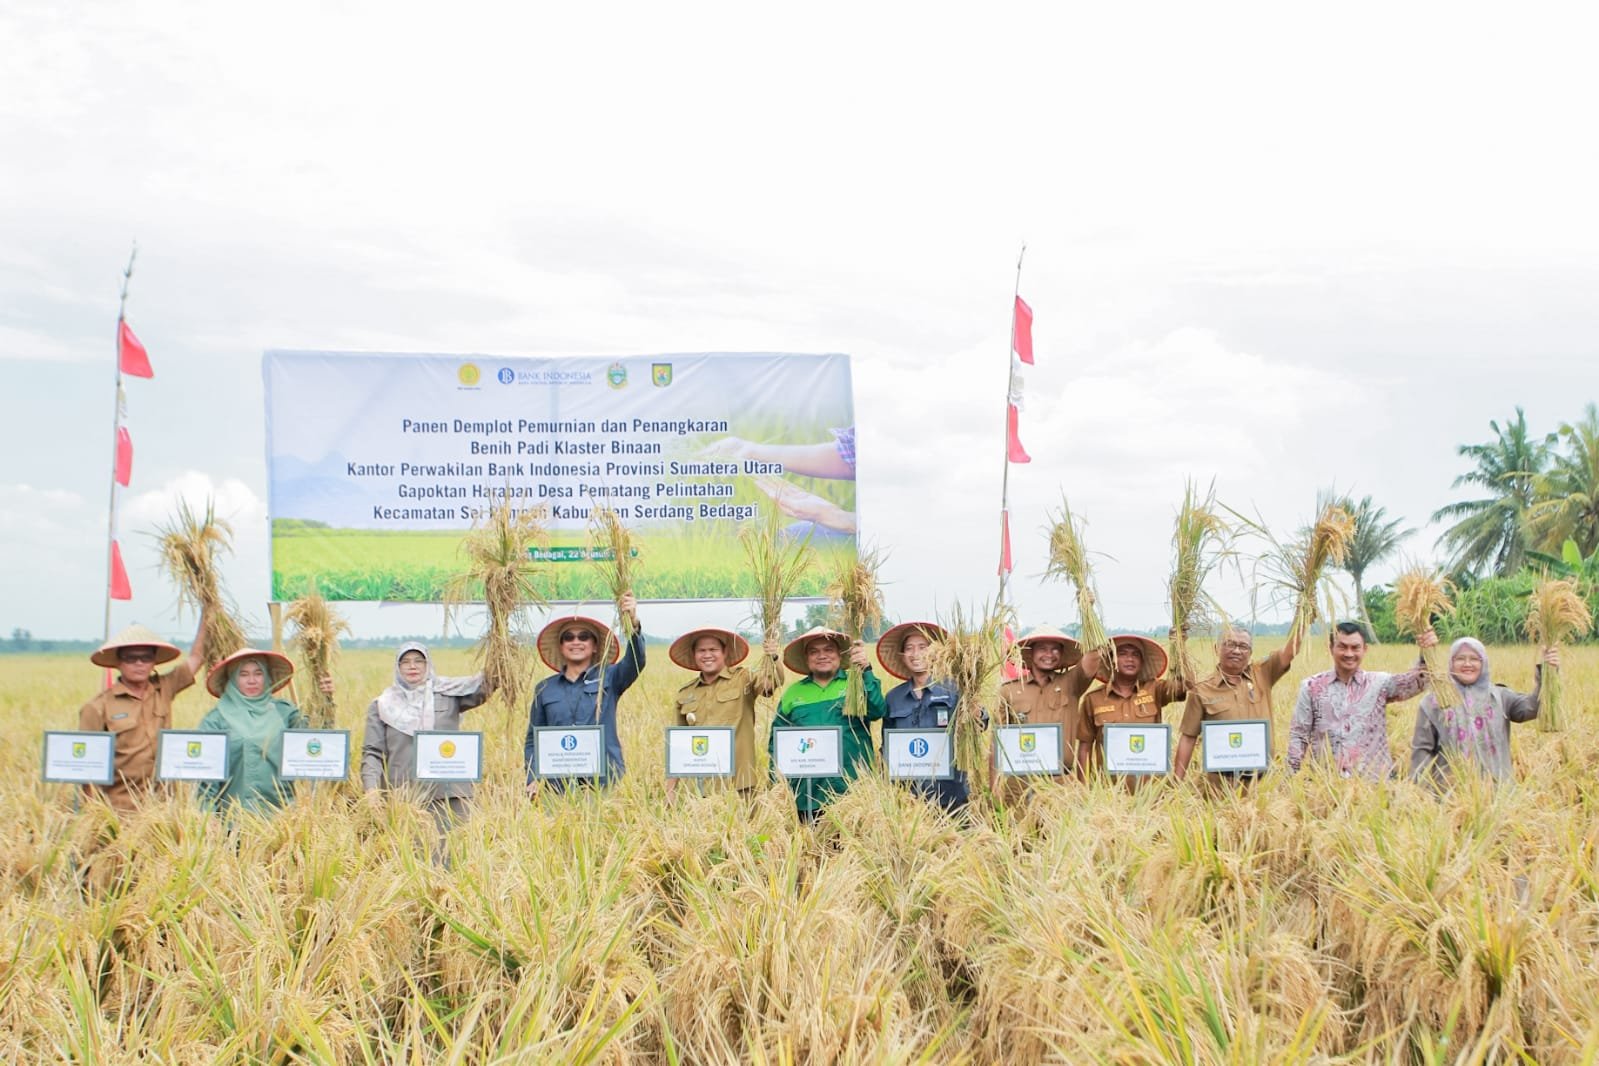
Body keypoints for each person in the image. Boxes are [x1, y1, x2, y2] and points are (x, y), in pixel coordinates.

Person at [361, 642, 491, 839]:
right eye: (405, 662)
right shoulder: (382, 705)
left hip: (449, 794)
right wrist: (371, 790)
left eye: (418, 661)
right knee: (410, 858)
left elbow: (487, 686)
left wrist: (501, 645)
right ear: (397, 667)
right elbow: (372, 752)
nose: (412, 666)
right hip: (405, 796)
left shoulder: (449, 694)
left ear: (428, 664)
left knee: (455, 855)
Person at [76, 617, 208, 811]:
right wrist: (94, 815)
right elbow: (86, 767)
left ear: (153, 662)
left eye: (146, 657)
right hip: (120, 808)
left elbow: (197, 657)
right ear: (119, 663)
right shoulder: (97, 707)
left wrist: (208, 612)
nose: (139, 663)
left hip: (164, 805)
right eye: (131, 658)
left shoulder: (164, 688)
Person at [1286, 621, 1437, 780]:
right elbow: (1299, 735)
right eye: (1342, 647)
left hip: (1375, 787)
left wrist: (1426, 651)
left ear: (1365, 649)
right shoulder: (1311, 687)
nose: (1349, 653)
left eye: (1355, 647)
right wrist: (1291, 778)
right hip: (1326, 785)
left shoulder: (1379, 684)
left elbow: (1416, 682)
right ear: (1330, 648)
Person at [524, 593, 645, 793]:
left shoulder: (610, 678)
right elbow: (533, 739)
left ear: (595, 645)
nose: (576, 642)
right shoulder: (545, 689)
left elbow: (636, 662)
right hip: (557, 785)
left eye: (584, 637)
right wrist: (533, 778)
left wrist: (633, 623)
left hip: (604, 780)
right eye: (568, 637)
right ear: (561, 647)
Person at [770, 626, 886, 821]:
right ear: (807, 659)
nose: (821, 656)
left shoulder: (856, 683)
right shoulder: (793, 693)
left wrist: (865, 670)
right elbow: (777, 742)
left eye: (828, 650)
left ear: (840, 655)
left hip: (853, 790)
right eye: (814, 651)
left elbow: (877, 711)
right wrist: (777, 784)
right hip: (807, 792)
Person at [1409, 638, 1559, 786]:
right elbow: (1422, 750)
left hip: (1498, 794)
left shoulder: (1499, 696)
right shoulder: (1435, 702)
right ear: (1451, 663)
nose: (1467, 664)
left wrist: (1548, 673)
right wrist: (1424, 792)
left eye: (1474, 659)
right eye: (1460, 659)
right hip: (1450, 797)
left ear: (1483, 663)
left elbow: (1532, 707)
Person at [196, 648, 329, 814]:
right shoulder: (216, 720)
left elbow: (316, 743)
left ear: (266, 677)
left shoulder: (285, 713)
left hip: (281, 817)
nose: (252, 680)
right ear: (232, 679)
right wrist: (208, 816)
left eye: (258, 673)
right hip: (232, 820)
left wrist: (324, 700)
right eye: (243, 674)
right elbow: (205, 777)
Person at [1173, 624, 1302, 781]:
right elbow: (1188, 737)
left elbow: (1289, 651)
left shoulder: (1262, 673)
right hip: (1219, 784)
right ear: (1216, 648)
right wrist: (1176, 781)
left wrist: (1303, 616)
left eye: (1243, 646)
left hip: (1261, 785)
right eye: (1230, 644)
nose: (1236, 650)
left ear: (1250, 653)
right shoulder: (1202, 690)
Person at [667, 627, 779, 796]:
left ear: (725, 652)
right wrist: (670, 789)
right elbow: (678, 745)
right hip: (701, 787)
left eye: (713, 650)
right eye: (701, 651)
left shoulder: (744, 679)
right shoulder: (685, 694)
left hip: (740, 783)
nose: (707, 655)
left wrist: (773, 657)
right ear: (694, 654)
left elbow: (769, 685)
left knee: (746, 822)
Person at [876, 621, 969, 812]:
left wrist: (976, 711)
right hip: (907, 798)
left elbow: (980, 724)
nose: (915, 653)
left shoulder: (955, 690)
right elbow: (887, 745)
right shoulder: (893, 698)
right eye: (909, 648)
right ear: (902, 656)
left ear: (935, 652)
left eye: (922, 647)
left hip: (951, 794)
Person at [994, 626, 1104, 781]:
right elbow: (997, 742)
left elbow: (1093, 657)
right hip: (1020, 782)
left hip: (1060, 783)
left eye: (1055, 649)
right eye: (1042, 649)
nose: (1049, 654)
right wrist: (994, 788)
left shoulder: (1071, 683)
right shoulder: (1009, 690)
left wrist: (1087, 609)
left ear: (1062, 653)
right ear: (1031, 653)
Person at [1076, 634, 1184, 779]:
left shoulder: (1155, 689)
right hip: (1109, 791)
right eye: (1122, 654)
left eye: (1136, 654)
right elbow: (1085, 747)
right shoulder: (1093, 699)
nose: (1130, 659)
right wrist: (1083, 788)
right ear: (1111, 660)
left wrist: (1179, 646)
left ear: (1142, 661)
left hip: (1151, 788)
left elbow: (1183, 687)